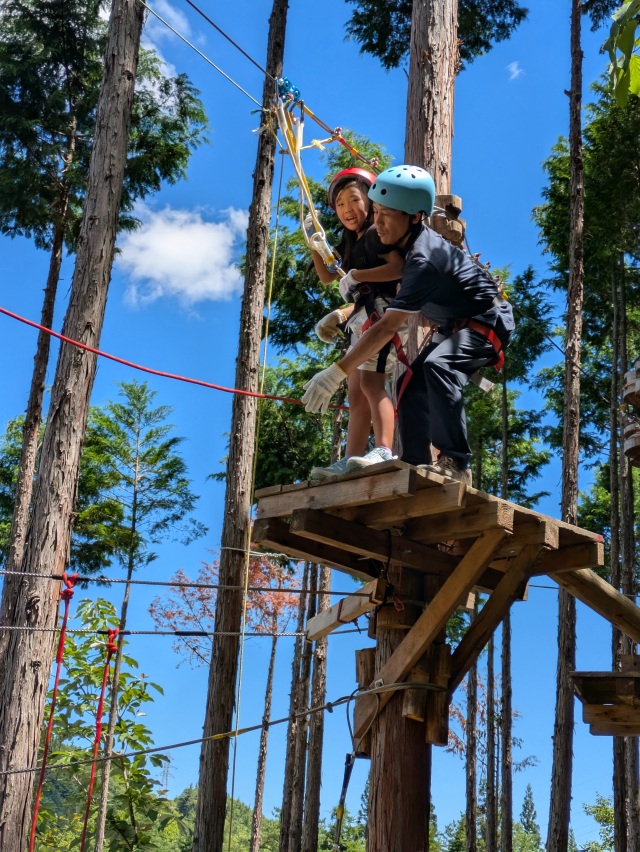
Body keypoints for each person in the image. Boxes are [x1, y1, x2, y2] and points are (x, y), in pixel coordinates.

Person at [301, 164, 515, 485]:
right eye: (377, 212)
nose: (378, 222)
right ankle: (414, 462)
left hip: (488, 319)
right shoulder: (395, 242)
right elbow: (347, 273)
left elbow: (386, 328)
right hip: (454, 324)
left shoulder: (422, 259)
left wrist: (338, 372)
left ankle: (455, 463)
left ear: (415, 217)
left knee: (439, 367)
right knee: (410, 383)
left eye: (389, 214)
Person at [306, 167, 407, 478]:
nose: (347, 210)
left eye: (353, 200)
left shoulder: (378, 233)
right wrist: (315, 245)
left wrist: (359, 276)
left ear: (371, 200)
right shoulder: (351, 240)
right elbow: (327, 276)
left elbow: (397, 268)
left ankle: (384, 449)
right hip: (364, 318)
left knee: (370, 383)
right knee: (354, 391)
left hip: (384, 315)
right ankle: (349, 459)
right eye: (340, 204)